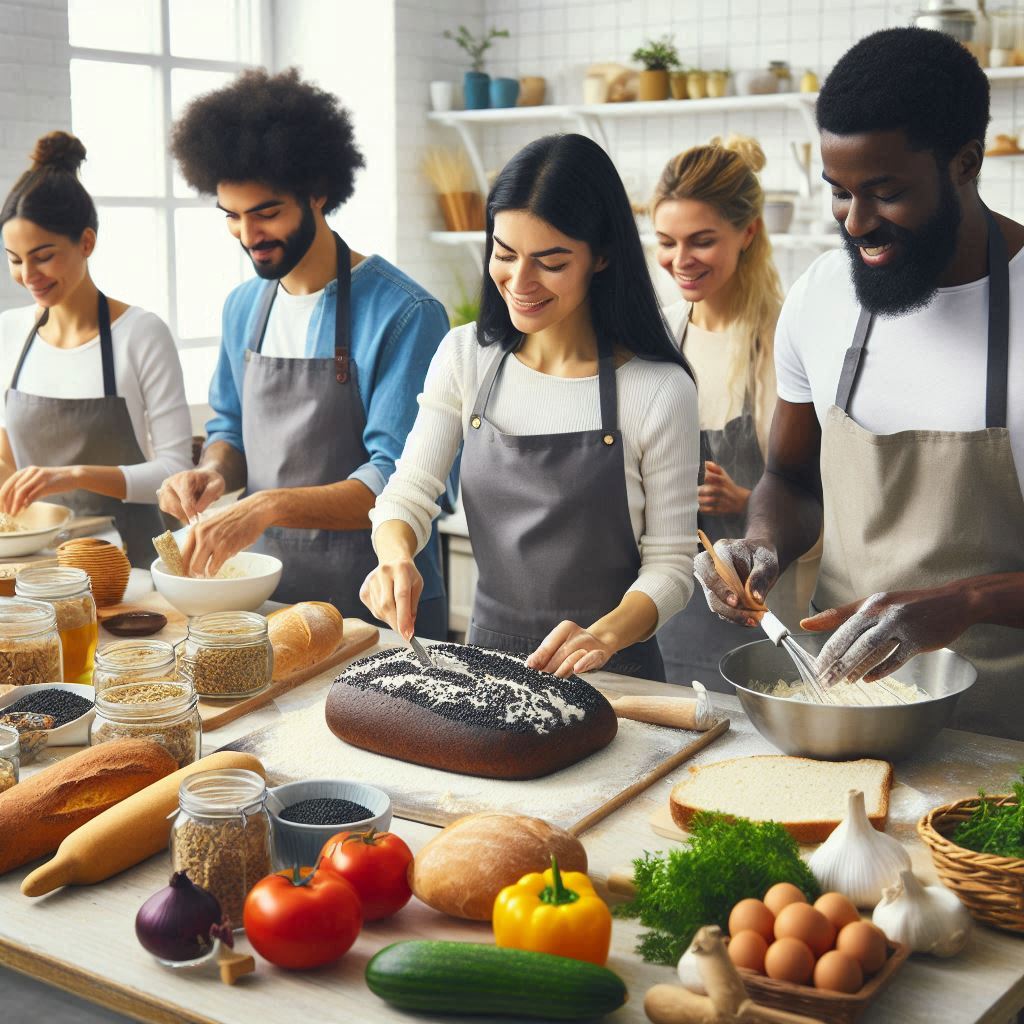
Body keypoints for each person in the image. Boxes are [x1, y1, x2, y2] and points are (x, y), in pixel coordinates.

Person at [693, 28, 1024, 740]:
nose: (855, 222)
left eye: (885, 193)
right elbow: (791, 476)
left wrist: (962, 602)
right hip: (840, 710)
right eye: (839, 192)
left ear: (966, 164)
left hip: (1004, 733)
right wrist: (763, 543)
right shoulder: (822, 297)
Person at [362, 133, 699, 680]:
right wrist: (394, 554)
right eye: (504, 253)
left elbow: (671, 566)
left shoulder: (658, 390)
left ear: (602, 256)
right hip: (484, 666)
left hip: (614, 675)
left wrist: (604, 635)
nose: (519, 283)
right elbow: (407, 495)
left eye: (550, 262)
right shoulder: (465, 356)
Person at [160, 69, 451, 635]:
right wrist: (213, 473)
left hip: (380, 609)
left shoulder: (406, 314)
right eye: (232, 217)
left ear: (317, 191)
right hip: (268, 601)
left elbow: (396, 479)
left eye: (266, 212)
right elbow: (231, 432)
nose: (248, 234)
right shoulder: (243, 307)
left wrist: (267, 506)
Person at [650, 135, 818, 690]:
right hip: (663, 611)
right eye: (666, 242)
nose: (681, 261)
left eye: (701, 241)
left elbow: (823, 505)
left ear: (748, 232)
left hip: (757, 616)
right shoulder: (660, 334)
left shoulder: (782, 341)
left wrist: (745, 502)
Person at [0, 132, 191, 566]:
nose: (29, 274)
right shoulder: (8, 332)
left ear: (86, 242)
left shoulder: (141, 334)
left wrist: (73, 476)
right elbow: (6, 458)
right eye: (14, 259)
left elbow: (175, 472)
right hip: (43, 563)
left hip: (139, 563)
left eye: (43, 256)